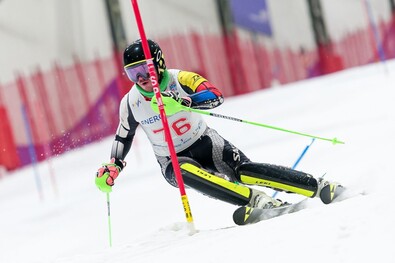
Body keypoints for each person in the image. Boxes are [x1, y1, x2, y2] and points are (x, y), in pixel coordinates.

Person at [95, 39, 336, 209]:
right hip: (171, 159)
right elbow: (123, 136)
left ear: (158, 63)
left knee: (244, 172)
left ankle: (316, 185)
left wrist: (183, 102)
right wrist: (114, 165)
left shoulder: (181, 79)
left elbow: (215, 95)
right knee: (182, 172)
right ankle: (254, 200)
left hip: (206, 142)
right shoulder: (131, 102)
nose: (141, 79)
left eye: (144, 69)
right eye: (132, 73)